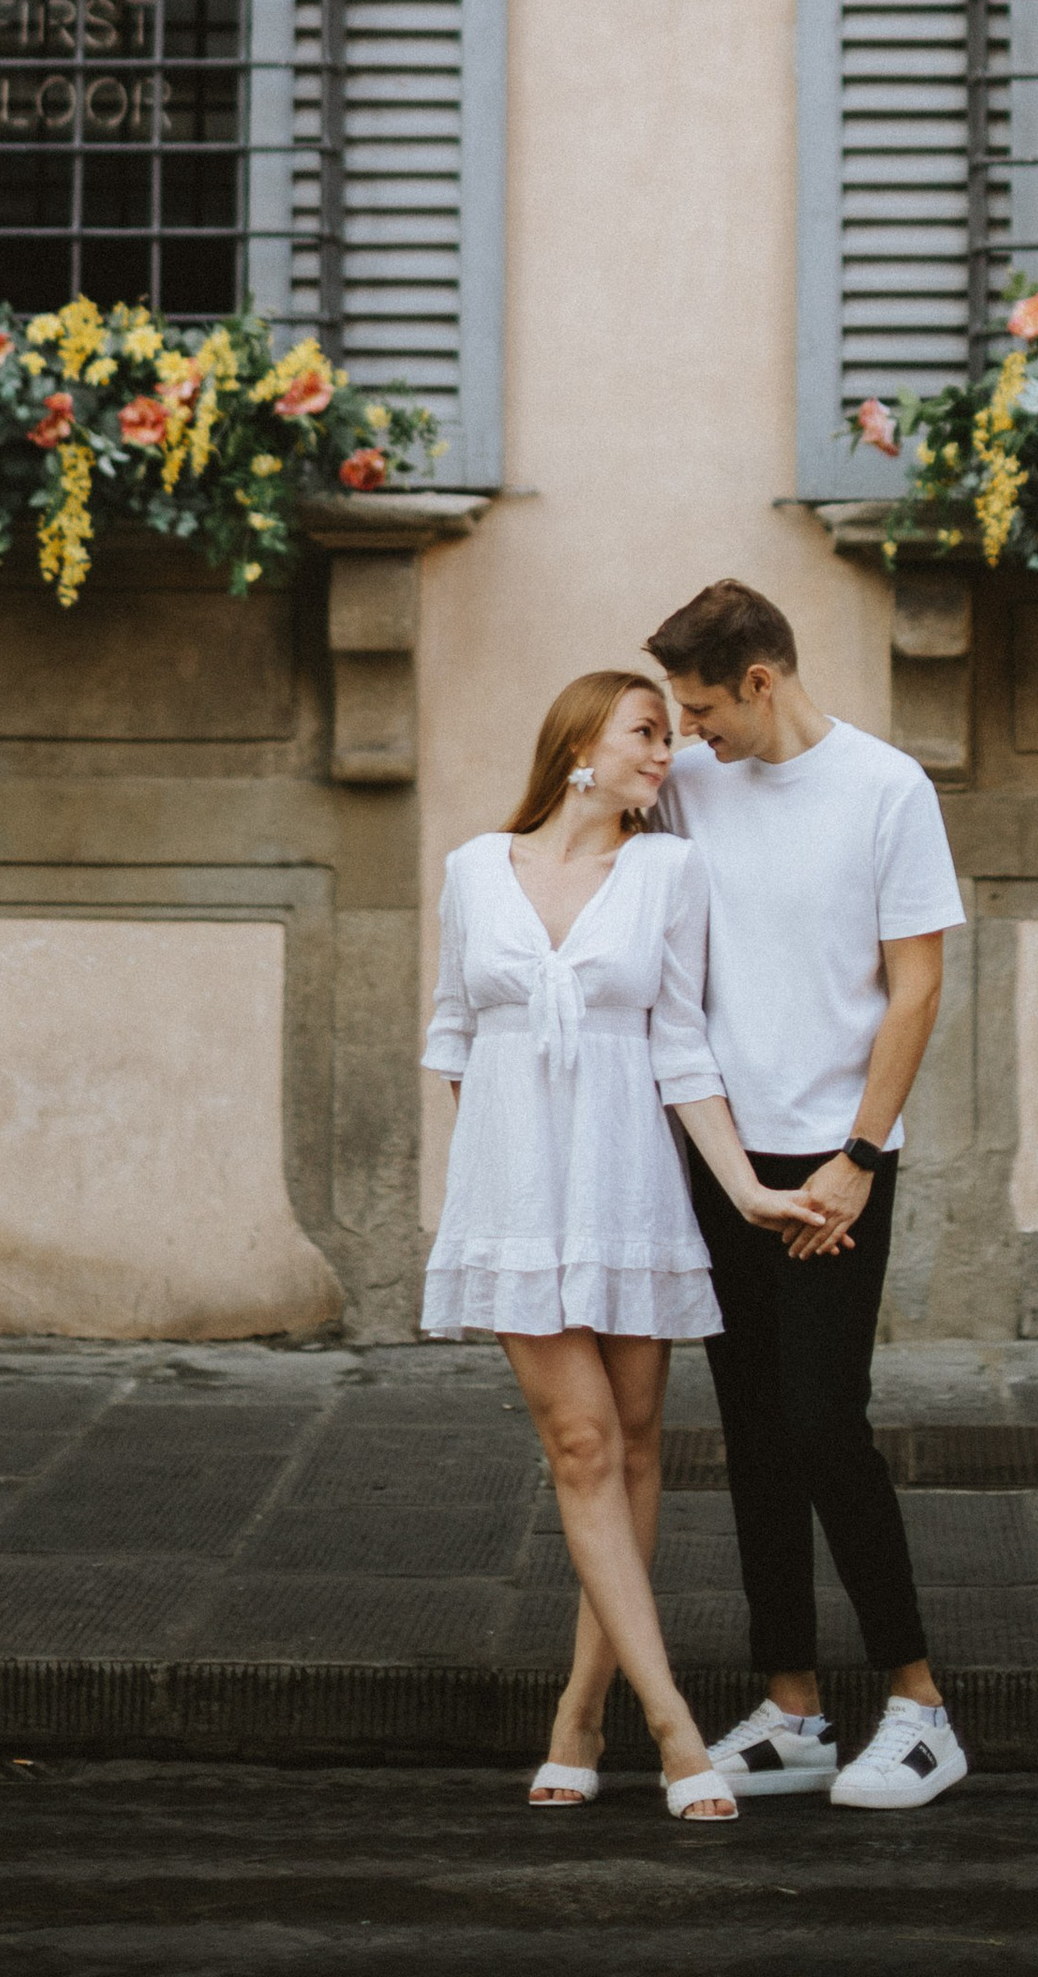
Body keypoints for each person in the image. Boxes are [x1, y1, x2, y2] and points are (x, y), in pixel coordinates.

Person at [421, 665, 829, 1821]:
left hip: (631, 1191)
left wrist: (746, 1188)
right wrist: (501, 1186)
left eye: (670, 733)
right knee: (584, 1447)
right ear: (577, 749)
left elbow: (683, 1048)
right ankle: (672, 1728)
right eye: (649, 733)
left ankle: (578, 1714)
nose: (669, 753)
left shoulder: (667, 873)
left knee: (638, 1449)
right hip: (517, 1205)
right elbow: (453, 1033)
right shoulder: (470, 872)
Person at [645, 578, 972, 1812]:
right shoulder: (691, 786)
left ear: (761, 681)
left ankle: (921, 1705)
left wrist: (861, 1156)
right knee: (750, 1433)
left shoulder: (887, 790)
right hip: (724, 1157)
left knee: (825, 1421)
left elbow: (917, 988)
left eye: (702, 706)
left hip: (835, 1160)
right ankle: (792, 1709)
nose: (689, 731)